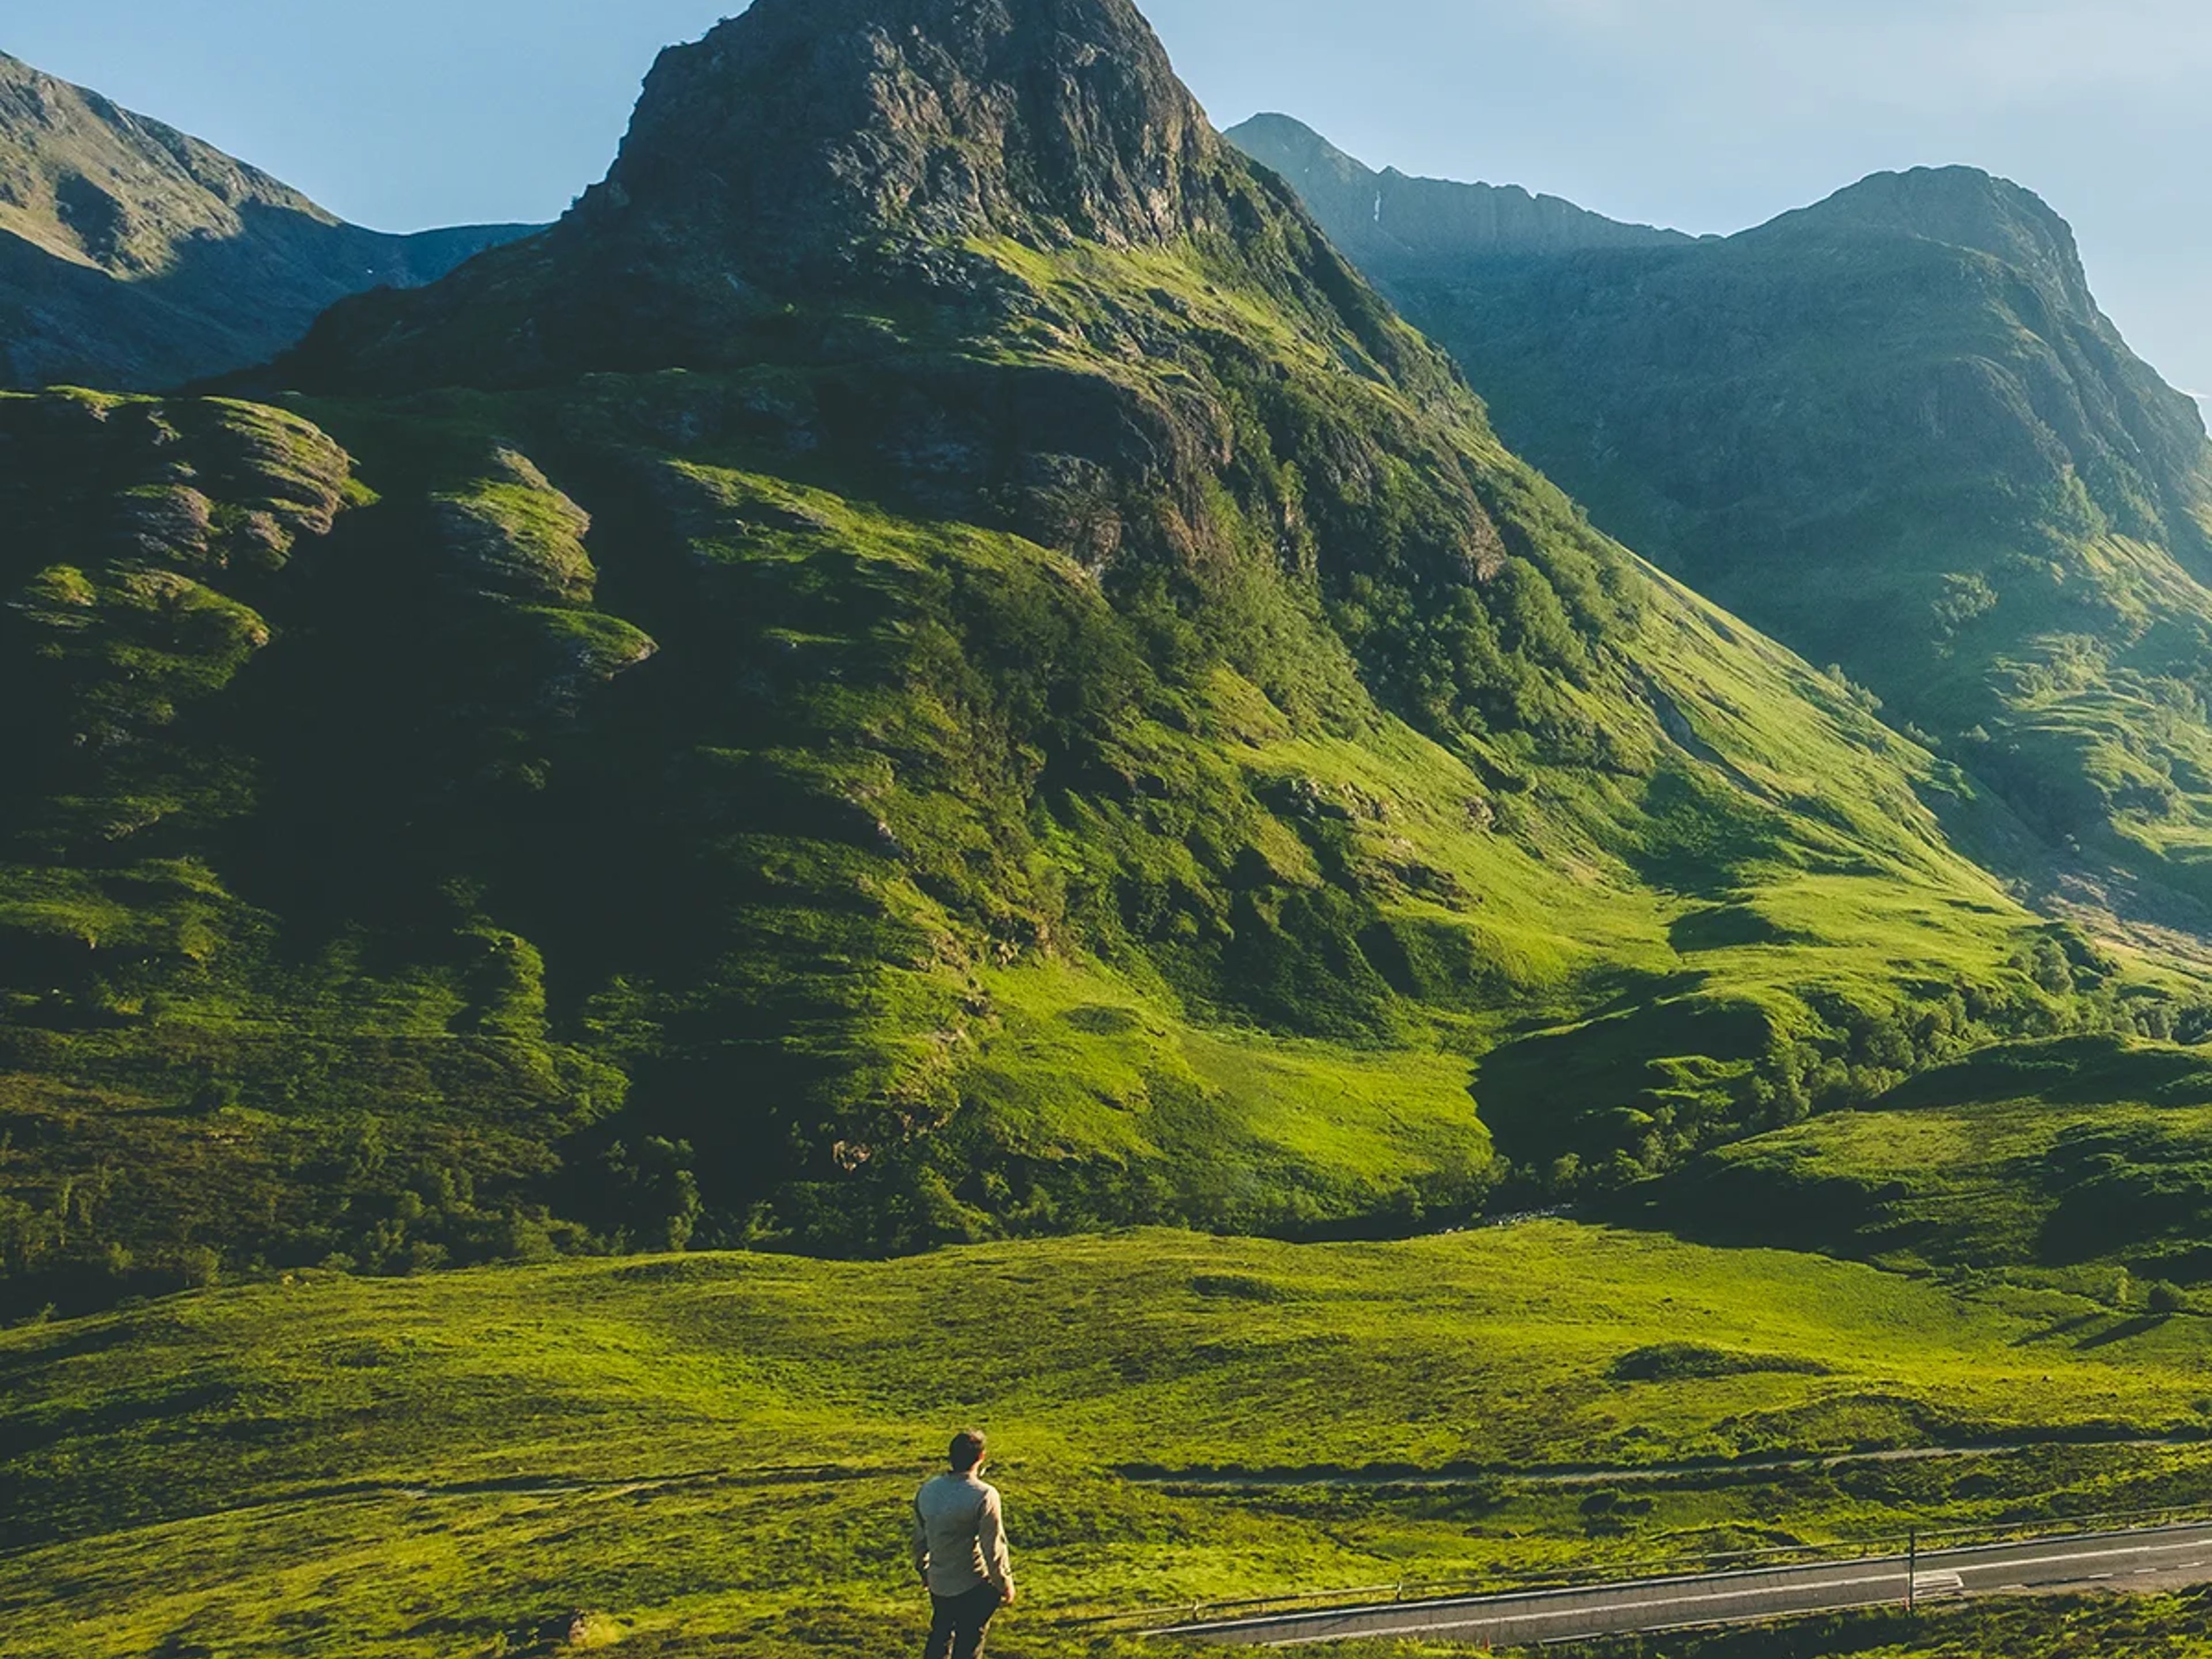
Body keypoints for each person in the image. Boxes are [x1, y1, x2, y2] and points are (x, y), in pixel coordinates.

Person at [912, 1429, 1016, 1659]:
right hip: (973, 1582)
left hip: (940, 1582)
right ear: (981, 1457)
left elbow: (920, 1539)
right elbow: (993, 1547)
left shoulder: (927, 1490)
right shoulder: (984, 1495)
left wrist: (925, 1572)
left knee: (940, 1637)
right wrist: (1004, 1583)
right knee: (968, 1645)